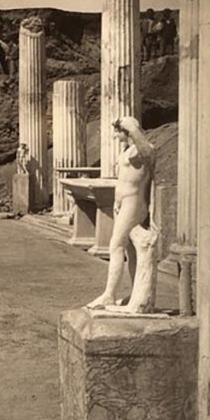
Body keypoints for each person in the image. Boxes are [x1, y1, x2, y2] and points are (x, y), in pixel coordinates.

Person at [86, 116, 156, 310]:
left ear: (128, 131)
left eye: (118, 132)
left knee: (115, 245)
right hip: (123, 203)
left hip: (135, 202)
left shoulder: (143, 149)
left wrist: (133, 129)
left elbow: (149, 154)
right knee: (130, 250)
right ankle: (135, 293)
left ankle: (109, 294)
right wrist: (117, 201)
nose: (116, 136)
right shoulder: (127, 150)